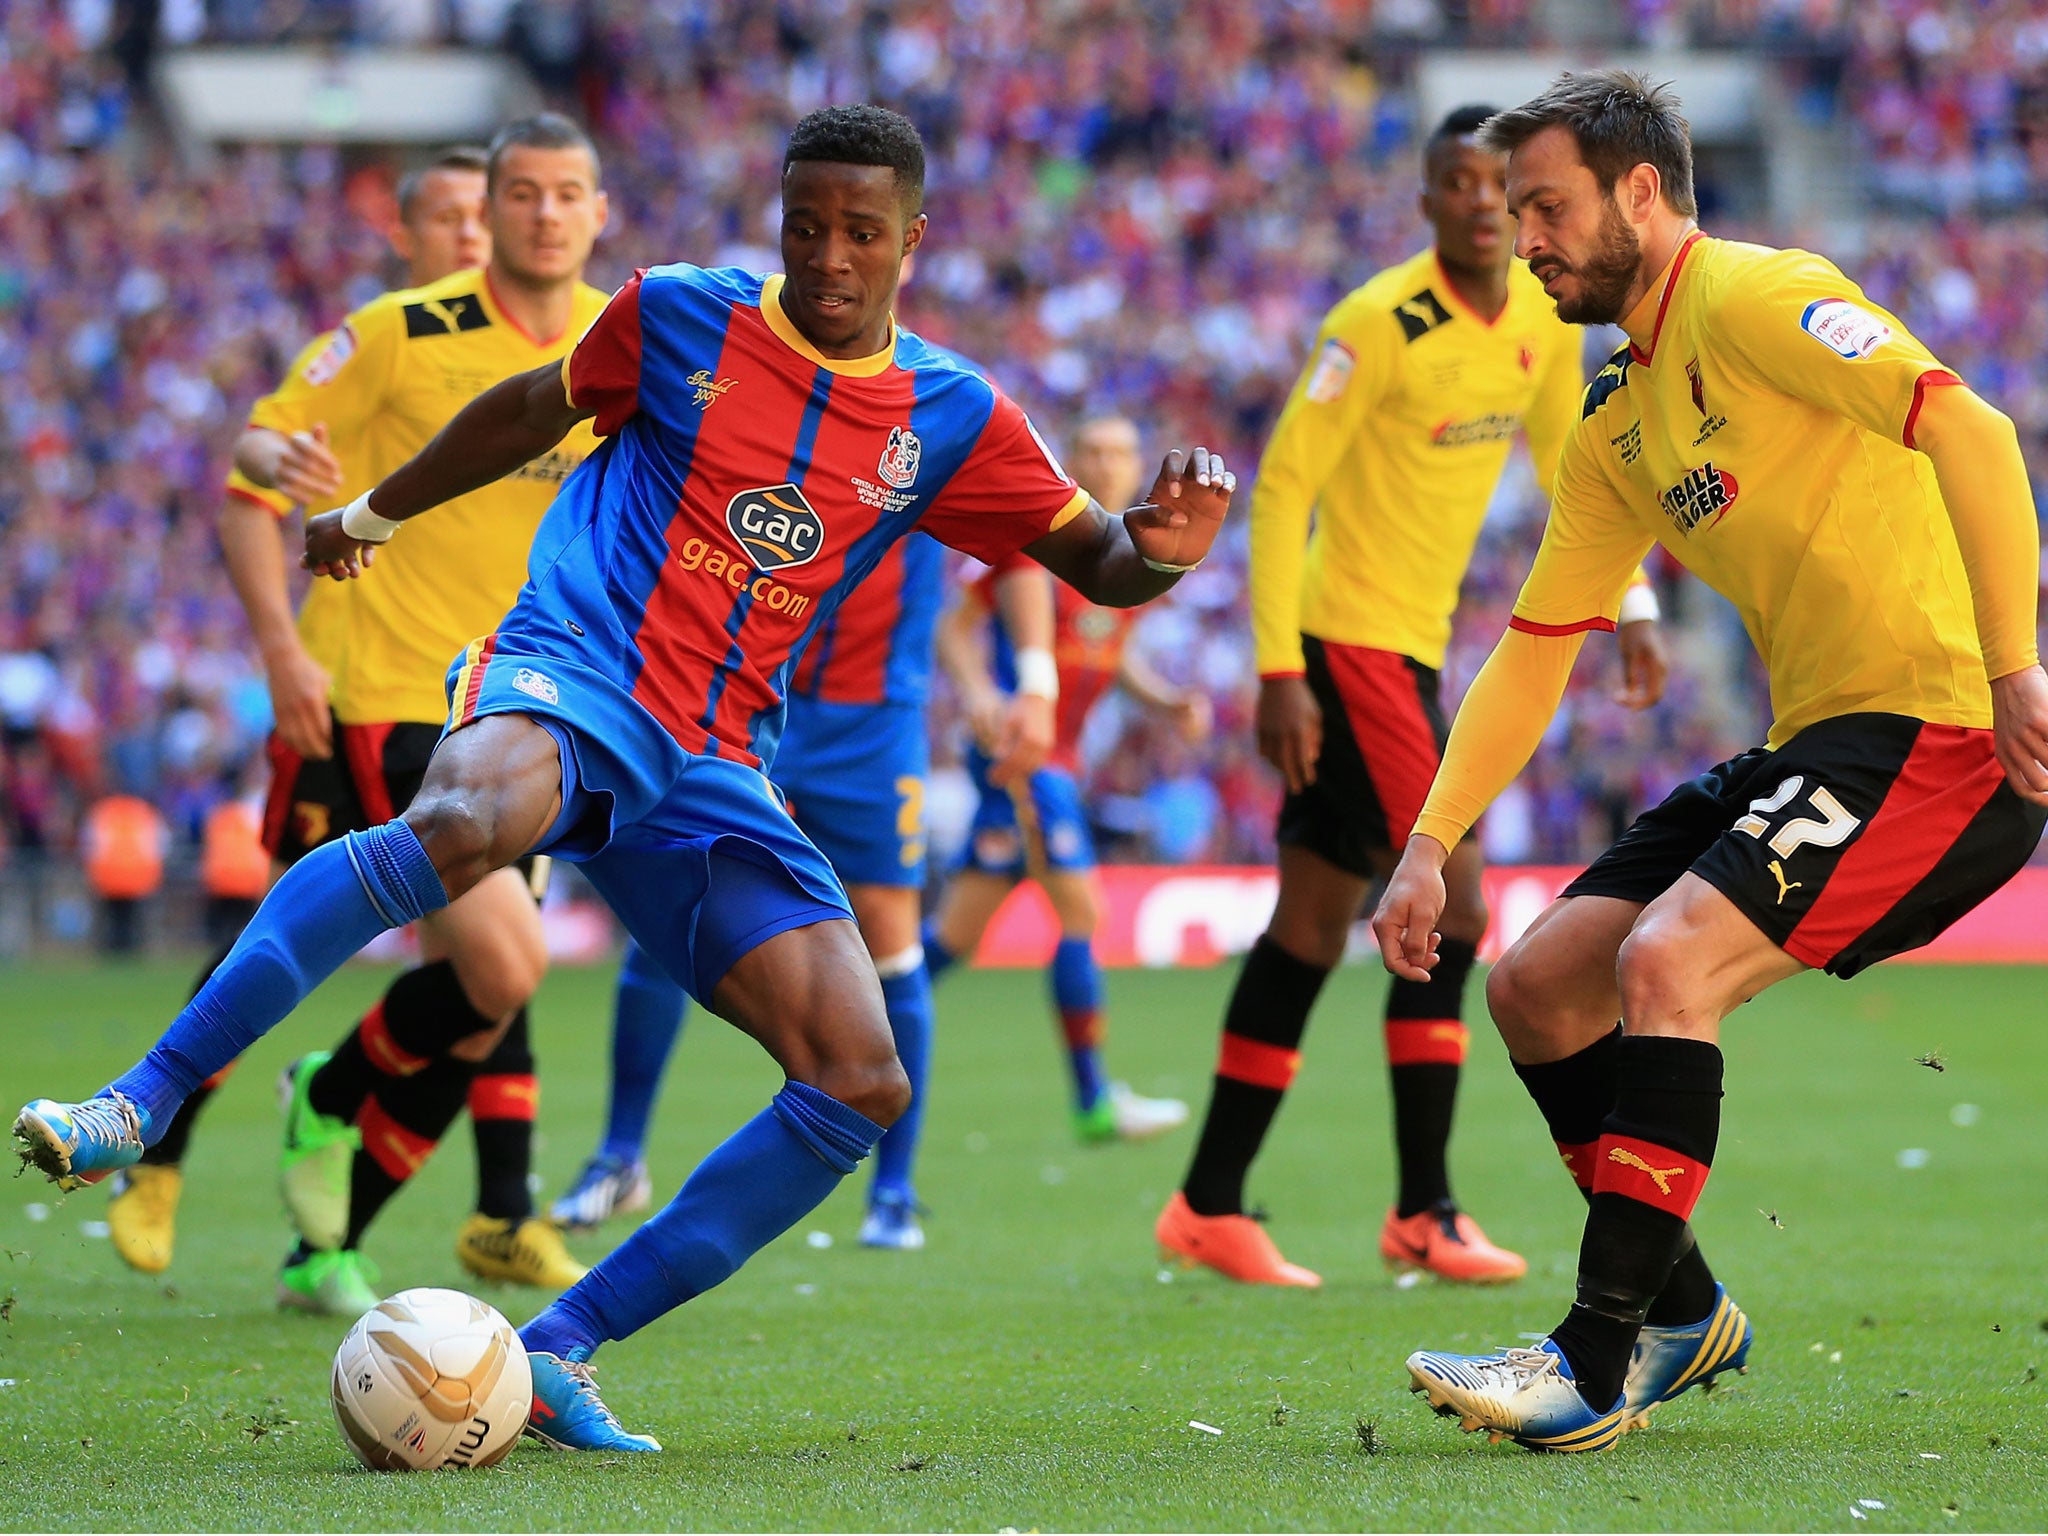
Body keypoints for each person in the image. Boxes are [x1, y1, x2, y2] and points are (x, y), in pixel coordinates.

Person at [14, 103, 1236, 1453]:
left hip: (714, 758)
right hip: (574, 668)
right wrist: (371, 514)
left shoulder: (950, 413)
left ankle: (554, 1352)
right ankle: (143, 1101)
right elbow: (528, 410)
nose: (829, 254)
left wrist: (1166, 553)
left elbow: (1096, 561)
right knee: (467, 819)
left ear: (912, 242)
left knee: (858, 1076)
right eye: (807, 223)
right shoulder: (679, 316)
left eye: (862, 233)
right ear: (780, 216)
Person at [1376, 71, 2047, 1452]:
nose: (1527, 239)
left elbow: (1970, 427)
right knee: (1540, 987)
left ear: (1640, 191)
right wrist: (1431, 842)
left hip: (1939, 737)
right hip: (1818, 738)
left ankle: (1593, 1362)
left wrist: (2015, 665)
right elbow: (1537, 640)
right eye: (1514, 214)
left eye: (1548, 206)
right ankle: (1682, 1316)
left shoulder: (1756, 296)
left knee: (1667, 965)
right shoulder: (1616, 411)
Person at [1157, 106, 1668, 1290]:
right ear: (1430, 199)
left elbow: (1581, 472)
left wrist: (1631, 606)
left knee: (1302, 927)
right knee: (1458, 901)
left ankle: (1207, 1204)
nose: (1485, 203)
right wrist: (1278, 666)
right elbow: (1281, 487)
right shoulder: (1376, 323)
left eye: (1503, 185)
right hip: (1352, 648)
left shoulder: (1540, 334)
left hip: (1414, 649)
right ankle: (1423, 1208)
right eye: (1458, 182)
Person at [113, 119, 612, 1314]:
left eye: (568, 195)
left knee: (485, 1000)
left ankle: (335, 1220)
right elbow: (260, 441)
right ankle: (186, 1143)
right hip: (391, 696)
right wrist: (278, 541)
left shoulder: (626, 337)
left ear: (597, 212)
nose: (542, 217)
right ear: (488, 212)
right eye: (521, 196)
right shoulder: (403, 329)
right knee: (482, 964)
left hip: (541, 709)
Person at [923, 415, 1209, 1143]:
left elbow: (1114, 660)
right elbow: (951, 627)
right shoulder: (1048, 542)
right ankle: (1094, 1103)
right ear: (1073, 461)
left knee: (953, 938)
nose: (1106, 463)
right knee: (1081, 915)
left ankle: (837, 1026)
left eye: (1119, 452)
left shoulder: (1128, 559)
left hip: (1058, 761)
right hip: (1023, 756)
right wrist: (983, 695)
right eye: (1093, 451)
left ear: (1138, 463)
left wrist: (1168, 701)